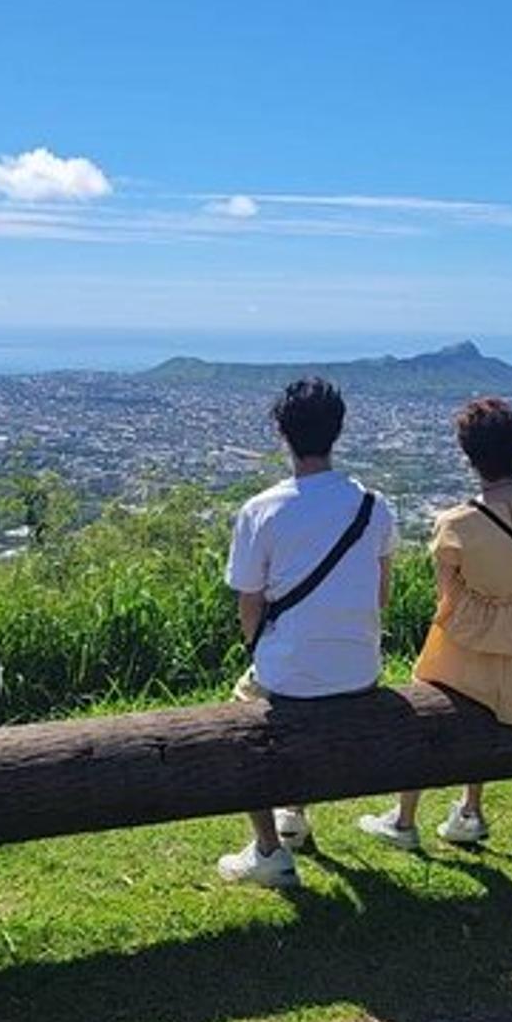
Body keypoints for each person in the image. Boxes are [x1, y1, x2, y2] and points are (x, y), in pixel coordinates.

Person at [359, 396, 512, 849]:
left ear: (470, 457)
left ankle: (404, 820)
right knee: (490, 709)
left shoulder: (456, 524)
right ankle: (470, 810)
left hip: (472, 641)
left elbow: (449, 597)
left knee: (423, 709)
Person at [219, 376, 399, 888]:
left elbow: (248, 605)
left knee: (240, 723)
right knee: (303, 673)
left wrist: (259, 649)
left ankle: (268, 850)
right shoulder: (373, 506)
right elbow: (381, 597)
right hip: (362, 670)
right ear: (337, 432)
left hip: (291, 676)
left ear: (282, 433)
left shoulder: (262, 511)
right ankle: (292, 814)